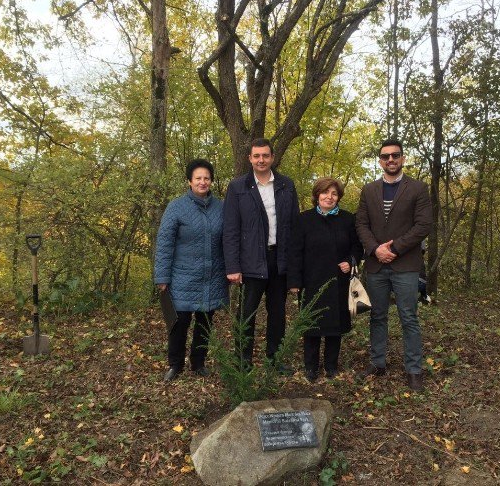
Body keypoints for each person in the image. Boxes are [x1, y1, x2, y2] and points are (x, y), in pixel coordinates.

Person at [356, 139, 433, 391]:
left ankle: (414, 370)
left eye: (395, 155)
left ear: (402, 158)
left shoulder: (418, 188)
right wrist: (376, 249)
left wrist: (394, 249)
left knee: (408, 317)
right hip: (376, 265)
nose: (390, 160)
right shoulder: (369, 190)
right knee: (377, 316)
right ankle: (378, 363)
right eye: (385, 156)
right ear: (379, 160)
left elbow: (423, 226)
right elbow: (361, 225)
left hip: (406, 265)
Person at [223, 138, 299, 371]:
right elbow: (231, 229)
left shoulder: (286, 185)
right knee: (246, 313)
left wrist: (294, 266)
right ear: (250, 158)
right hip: (250, 260)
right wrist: (233, 266)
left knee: (277, 313)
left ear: (272, 157)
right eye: (256, 156)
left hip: (279, 259)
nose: (261, 160)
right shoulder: (238, 187)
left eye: (265, 155)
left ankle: (274, 359)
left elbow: (294, 227)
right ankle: (243, 361)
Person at [154, 159, 228, 382]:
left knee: (205, 322)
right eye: (198, 178)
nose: (203, 182)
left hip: (212, 276)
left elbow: (230, 240)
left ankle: (199, 362)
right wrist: (162, 277)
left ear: (211, 181)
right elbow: (165, 243)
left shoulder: (221, 208)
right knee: (180, 323)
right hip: (182, 277)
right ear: (189, 181)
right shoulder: (176, 207)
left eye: (207, 178)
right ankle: (175, 364)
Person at [287, 178, 363, 382]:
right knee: (311, 325)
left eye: (334, 194)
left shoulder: (348, 220)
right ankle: (311, 367)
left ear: (339, 197)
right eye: (325, 193)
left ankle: (331, 366)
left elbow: (357, 248)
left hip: (339, 281)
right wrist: (294, 282)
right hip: (311, 281)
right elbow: (294, 253)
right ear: (317, 195)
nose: (329, 197)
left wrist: (350, 261)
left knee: (334, 326)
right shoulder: (303, 219)